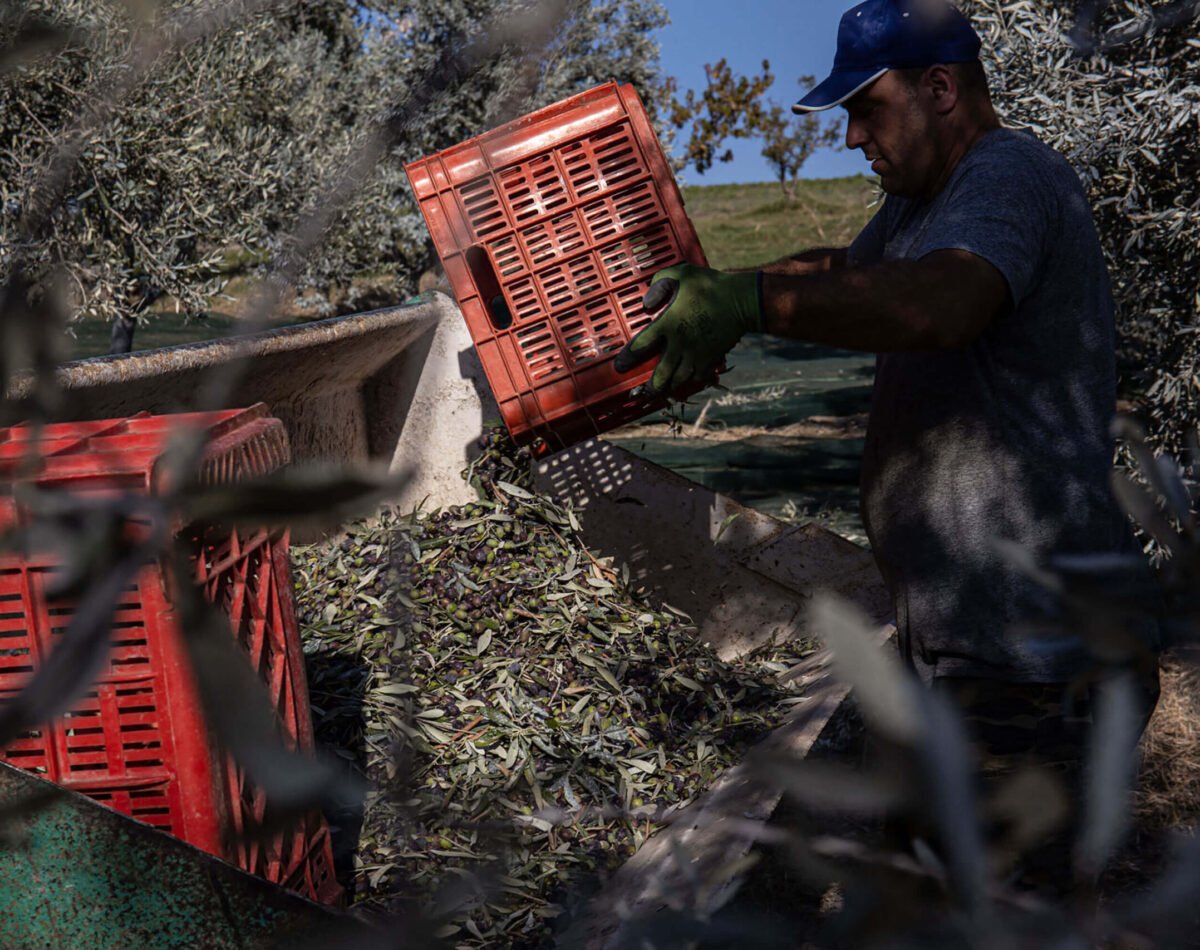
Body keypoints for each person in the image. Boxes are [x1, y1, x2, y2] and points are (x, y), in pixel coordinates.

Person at [614, 0, 1159, 888]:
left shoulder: (1008, 174)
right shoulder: (923, 204)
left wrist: (751, 304)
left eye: (867, 109)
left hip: (1033, 669)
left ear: (940, 88)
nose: (853, 138)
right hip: (959, 653)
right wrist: (728, 290)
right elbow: (845, 271)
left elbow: (944, 304)